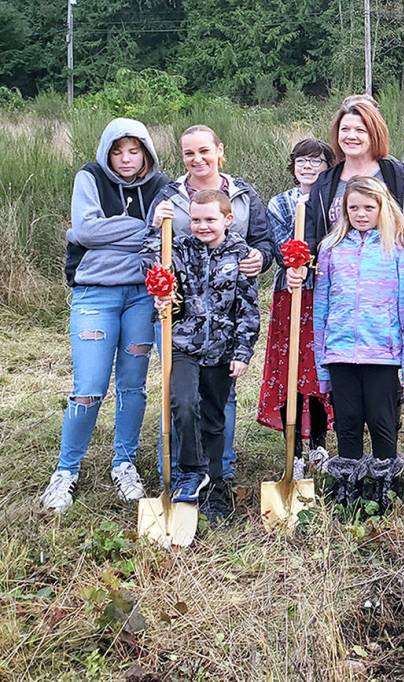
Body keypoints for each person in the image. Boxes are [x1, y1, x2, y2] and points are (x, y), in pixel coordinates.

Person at [40, 118, 170, 513]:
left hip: (142, 296)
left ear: (146, 153)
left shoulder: (161, 186)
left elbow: (167, 233)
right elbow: (85, 231)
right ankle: (66, 470)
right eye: (118, 151)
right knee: (90, 386)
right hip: (95, 294)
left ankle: (124, 463)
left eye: (134, 151)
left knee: (133, 385)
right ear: (106, 153)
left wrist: (113, 231)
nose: (126, 159)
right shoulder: (90, 177)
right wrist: (142, 227)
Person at [287, 99, 404, 426]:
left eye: (360, 129)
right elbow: (311, 237)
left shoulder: (396, 174)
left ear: (374, 133)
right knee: (346, 393)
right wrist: (300, 265)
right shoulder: (327, 181)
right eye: (345, 129)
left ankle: (387, 441)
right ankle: (346, 444)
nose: (351, 136)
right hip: (341, 298)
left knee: (382, 393)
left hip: (385, 302)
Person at [148, 124, 274, 483]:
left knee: (219, 403)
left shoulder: (244, 194)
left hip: (225, 322)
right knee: (181, 398)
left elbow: (265, 243)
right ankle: (180, 472)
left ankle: (219, 474)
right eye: (189, 153)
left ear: (220, 150)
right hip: (182, 323)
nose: (197, 158)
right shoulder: (168, 195)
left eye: (204, 150)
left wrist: (260, 258)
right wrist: (155, 233)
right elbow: (153, 256)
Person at [144, 190, 260, 524]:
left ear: (228, 219)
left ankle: (215, 489)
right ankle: (191, 471)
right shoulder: (179, 247)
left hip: (222, 350)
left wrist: (242, 351)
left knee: (213, 418)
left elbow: (248, 308)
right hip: (184, 345)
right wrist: (155, 229)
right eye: (196, 219)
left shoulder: (241, 255)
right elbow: (152, 265)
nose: (202, 226)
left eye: (210, 219)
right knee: (182, 403)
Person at [313, 177, 404, 511]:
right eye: (354, 208)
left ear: (382, 207)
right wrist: (322, 363)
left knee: (381, 419)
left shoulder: (399, 246)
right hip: (341, 352)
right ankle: (349, 484)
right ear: (344, 210)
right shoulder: (331, 248)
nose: (361, 214)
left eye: (368, 207)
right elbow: (321, 307)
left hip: (382, 353)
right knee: (347, 420)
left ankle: (384, 483)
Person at [256, 138, 336, 478]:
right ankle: (295, 450)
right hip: (290, 293)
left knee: (316, 369)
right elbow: (279, 247)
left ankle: (319, 444)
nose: (308, 166)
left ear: (327, 167)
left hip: (323, 292)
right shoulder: (279, 203)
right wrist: (294, 260)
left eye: (316, 161)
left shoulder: (333, 200)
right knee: (290, 369)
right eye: (302, 160)